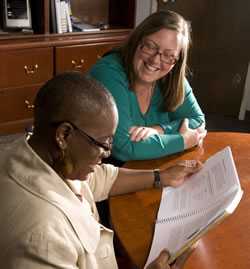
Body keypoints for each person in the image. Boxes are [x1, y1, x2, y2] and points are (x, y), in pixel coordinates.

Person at [0, 72, 202, 269]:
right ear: (64, 134)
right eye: (103, 143)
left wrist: (161, 176)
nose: (107, 153)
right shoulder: (43, 236)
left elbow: (97, 179)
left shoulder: (34, 151)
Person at [89, 10, 207, 163]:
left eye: (168, 55)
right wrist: (183, 140)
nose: (155, 61)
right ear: (137, 40)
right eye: (150, 47)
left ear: (176, 61)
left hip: (152, 168)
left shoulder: (171, 75)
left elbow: (198, 121)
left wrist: (158, 130)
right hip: (102, 174)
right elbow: (124, 148)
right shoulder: (108, 72)